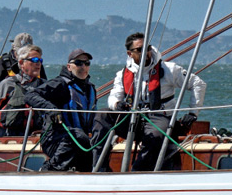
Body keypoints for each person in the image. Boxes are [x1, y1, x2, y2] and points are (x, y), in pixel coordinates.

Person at [94, 32, 206, 171]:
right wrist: (117, 104)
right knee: (102, 115)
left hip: (159, 116)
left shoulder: (169, 70)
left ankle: (138, 171)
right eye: (140, 50)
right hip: (133, 119)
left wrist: (193, 112)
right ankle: (100, 168)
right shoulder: (123, 74)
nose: (145, 52)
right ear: (130, 53)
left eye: (147, 48)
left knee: (156, 134)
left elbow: (198, 84)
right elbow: (113, 96)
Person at [24, 48, 99, 172]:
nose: (83, 66)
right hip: (55, 139)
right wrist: (51, 109)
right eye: (79, 63)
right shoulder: (59, 84)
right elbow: (30, 96)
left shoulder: (90, 89)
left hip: (82, 139)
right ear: (69, 67)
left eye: (87, 63)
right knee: (77, 136)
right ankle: (49, 170)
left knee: (95, 140)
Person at [0, 44, 46, 138]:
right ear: (21, 63)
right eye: (34, 60)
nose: (38, 64)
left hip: (37, 137)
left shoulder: (45, 86)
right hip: (9, 137)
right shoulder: (8, 85)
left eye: (40, 60)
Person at [0, 32, 47, 105]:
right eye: (21, 51)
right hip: (6, 109)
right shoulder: (0, 64)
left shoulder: (36, 63)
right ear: (14, 47)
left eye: (26, 51)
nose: (23, 54)